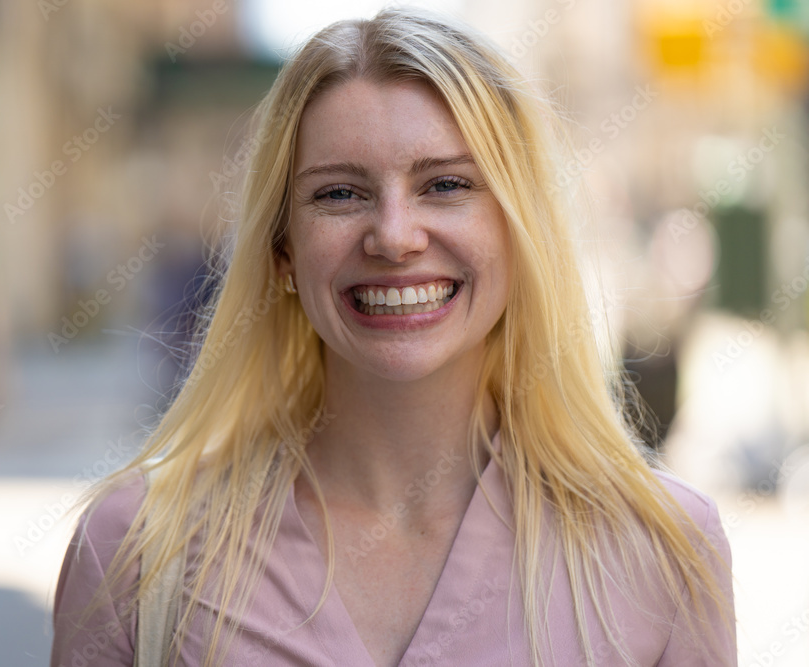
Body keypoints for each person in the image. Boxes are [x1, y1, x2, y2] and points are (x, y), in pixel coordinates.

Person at [50, 9, 736, 667]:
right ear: (283, 250)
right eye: (340, 194)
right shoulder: (136, 551)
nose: (395, 235)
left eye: (445, 184)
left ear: (519, 233)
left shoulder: (665, 550)